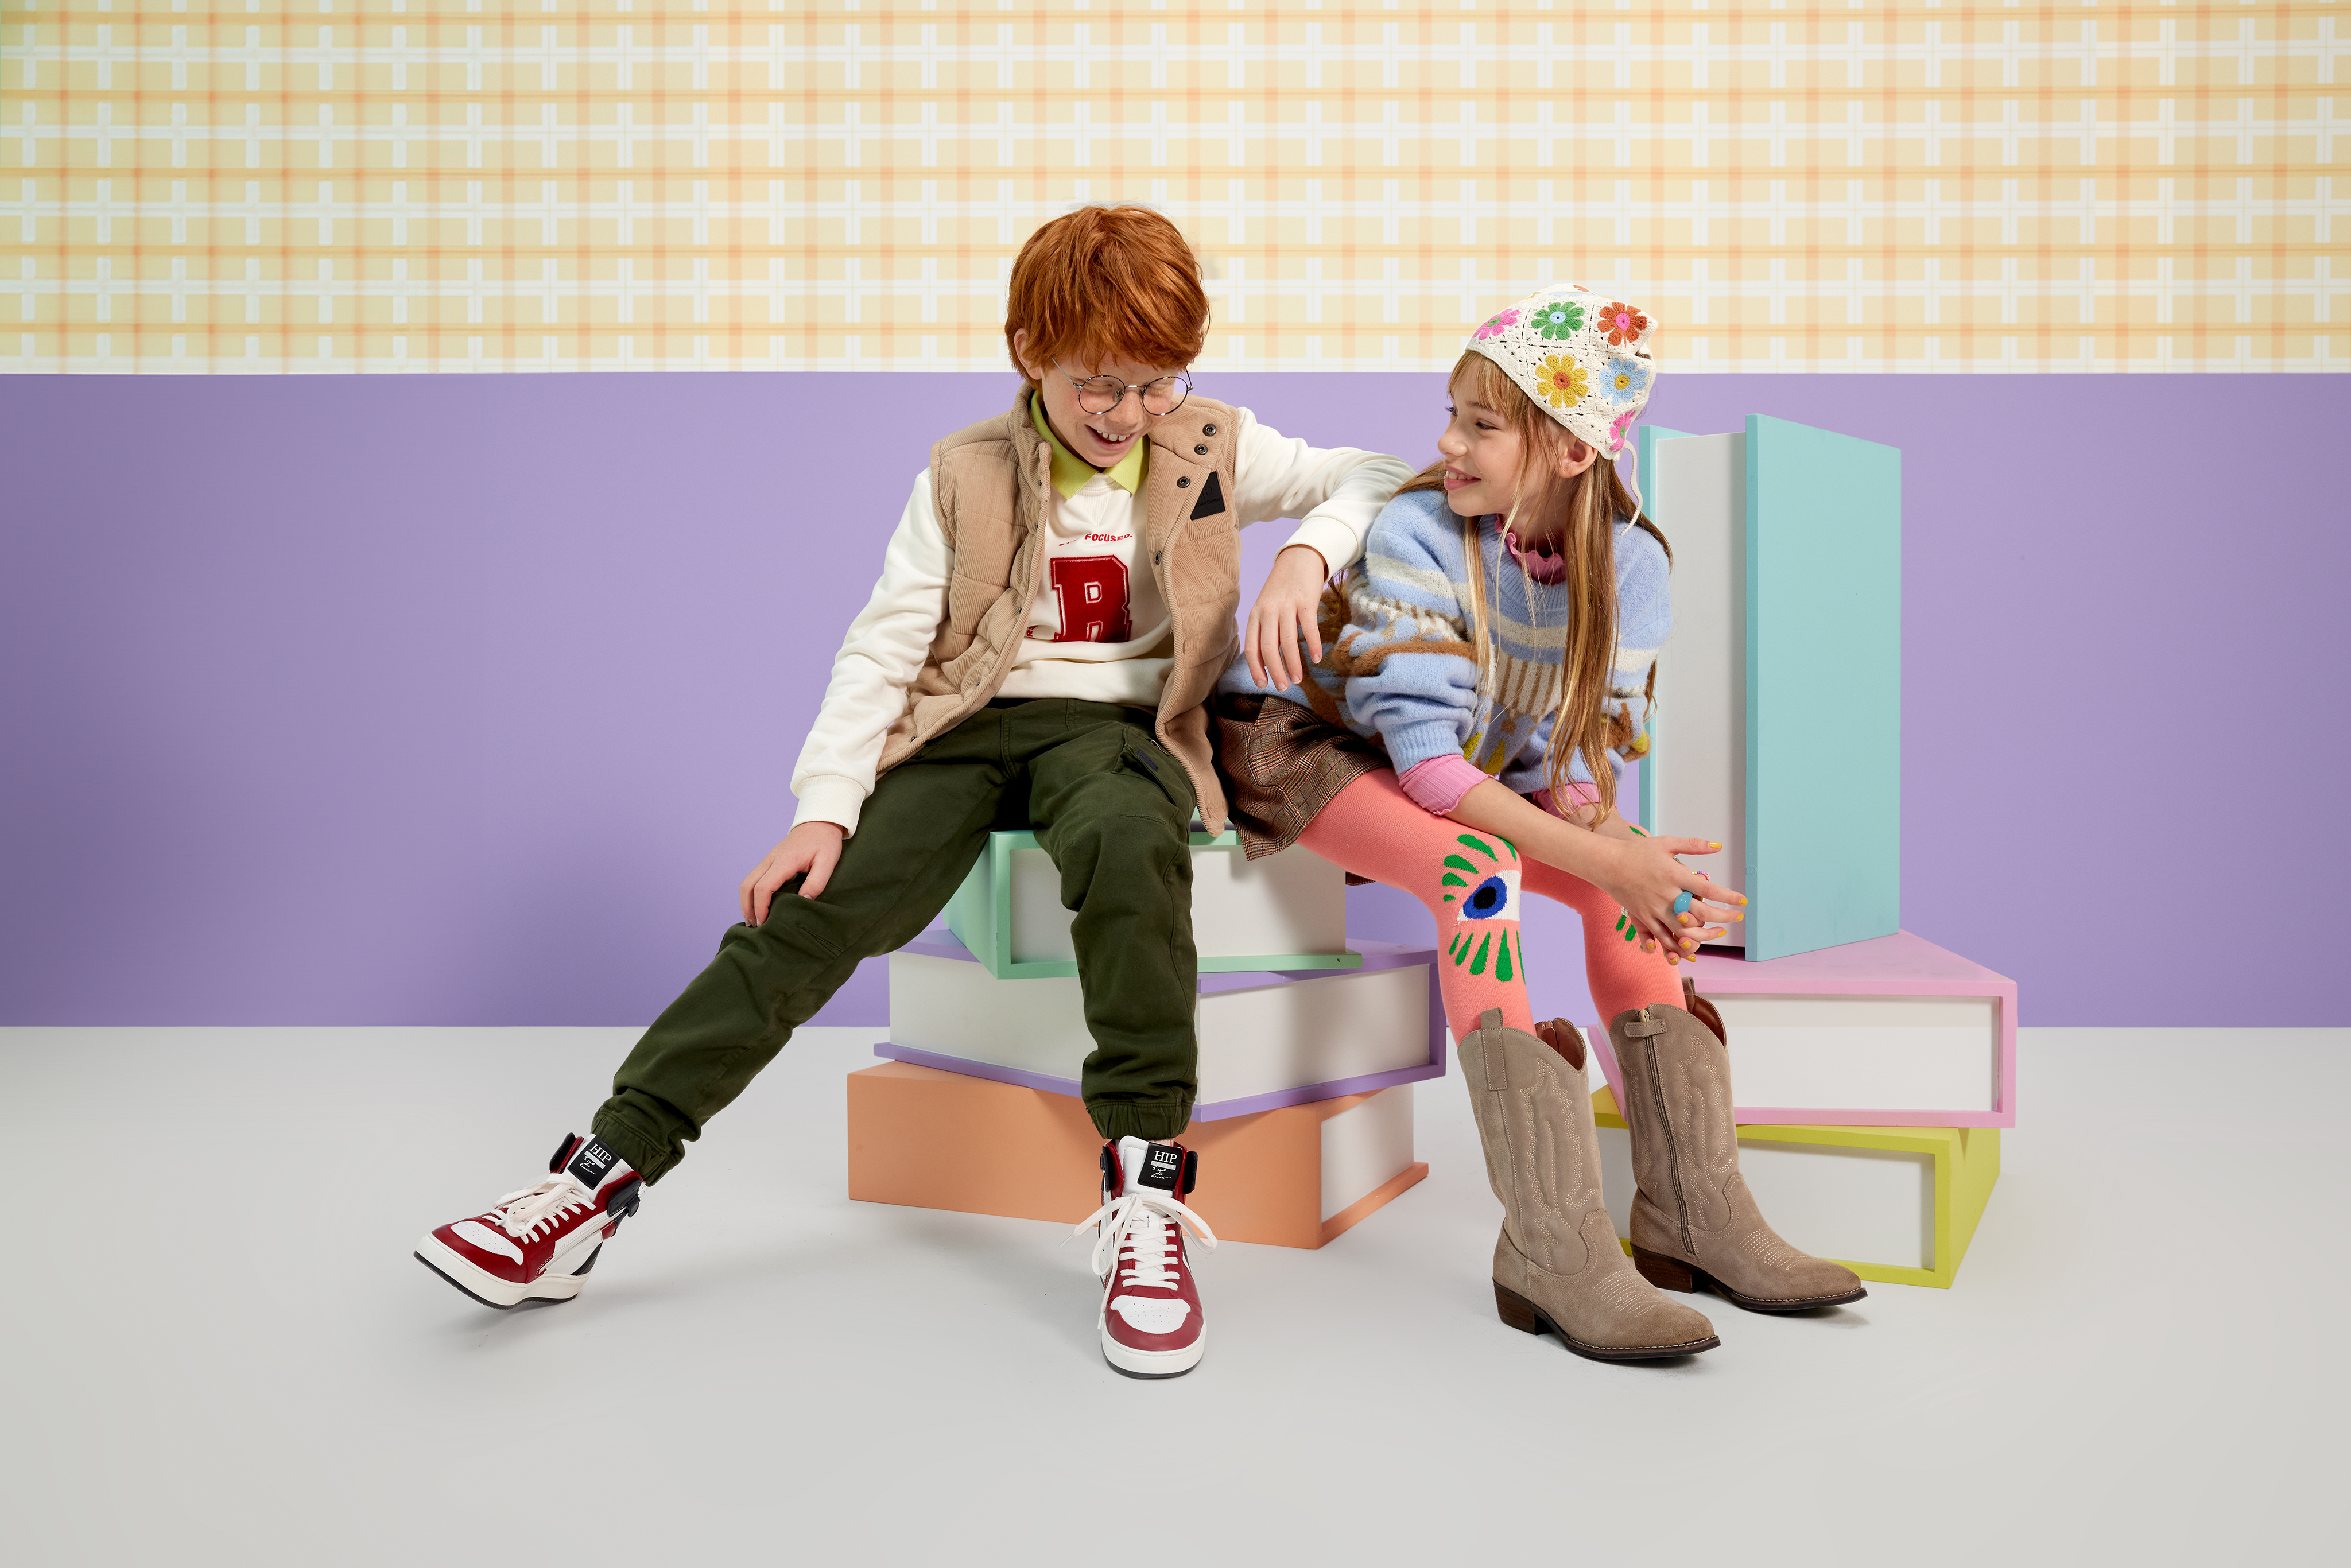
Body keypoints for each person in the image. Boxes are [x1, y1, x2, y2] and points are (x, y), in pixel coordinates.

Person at [414, 205, 1413, 1381]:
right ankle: (596, 1180)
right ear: (1028, 353)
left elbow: (1374, 471)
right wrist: (825, 804)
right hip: (965, 729)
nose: (1125, 413)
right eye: (1096, 383)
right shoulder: (961, 472)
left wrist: (1303, 550)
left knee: (1128, 850)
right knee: (812, 914)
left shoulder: (1207, 444)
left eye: (1155, 383)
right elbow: (883, 647)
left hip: (1120, 733)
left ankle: (1146, 1191)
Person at [1213, 285, 1865, 1362]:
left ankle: (1695, 1213)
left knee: (1622, 884)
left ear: (1570, 450)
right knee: (1476, 873)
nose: (1447, 443)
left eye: (1482, 425)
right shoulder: (1421, 528)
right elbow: (1430, 770)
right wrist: (1607, 855)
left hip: (1455, 769)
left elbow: (1569, 768)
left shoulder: (1634, 565)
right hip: (1303, 741)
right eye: (1452, 415)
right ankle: (1551, 1244)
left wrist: (1628, 859)